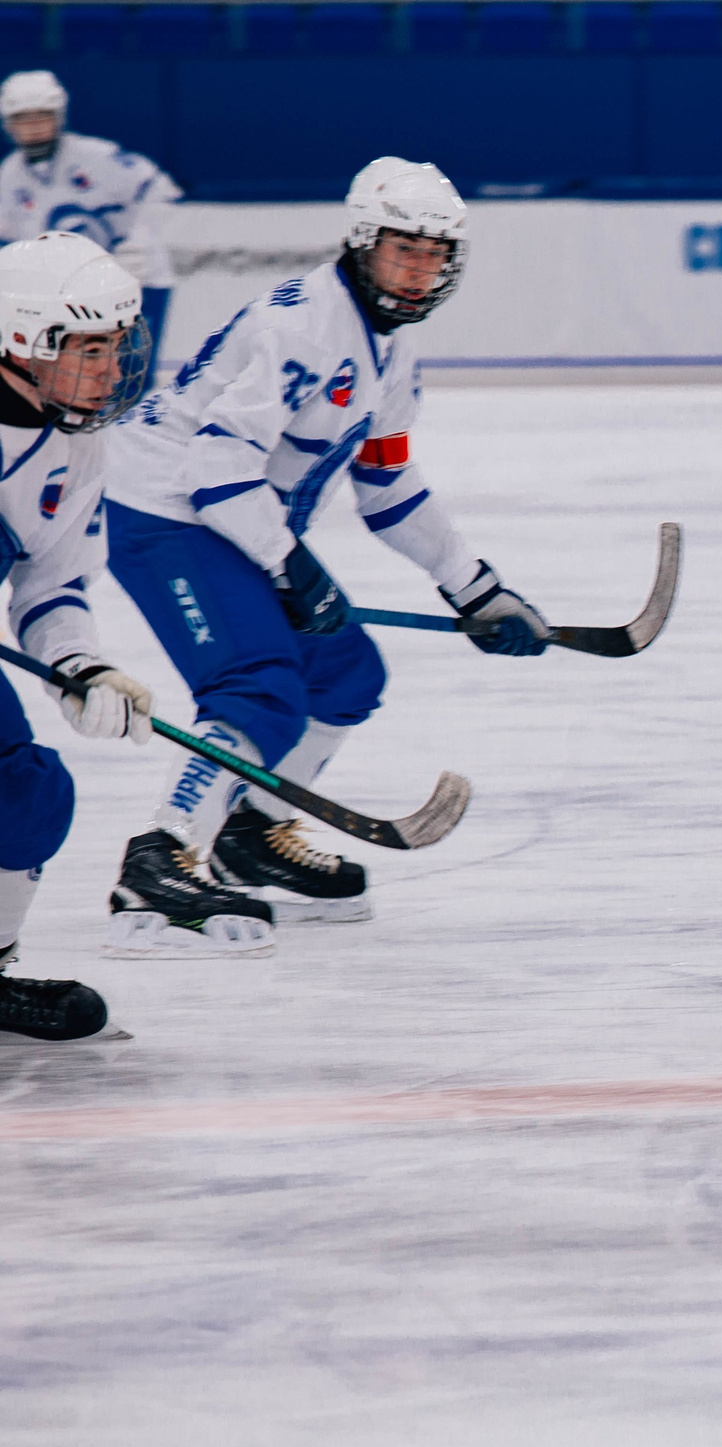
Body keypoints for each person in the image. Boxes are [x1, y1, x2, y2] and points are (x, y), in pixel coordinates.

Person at [100, 156, 552, 958]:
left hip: (238, 516)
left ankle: (253, 831)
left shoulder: (393, 348)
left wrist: (475, 589)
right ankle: (159, 859)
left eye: (434, 255)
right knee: (260, 683)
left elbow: (386, 482)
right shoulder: (302, 326)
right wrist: (292, 568)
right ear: (361, 241)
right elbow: (214, 469)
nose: (417, 272)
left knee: (346, 676)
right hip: (168, 509)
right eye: (402, 250)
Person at [0, 234, 158, 1031]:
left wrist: (79, 667)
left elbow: (49, 581)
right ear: (24, 343)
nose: (108, 369)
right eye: (89, 350)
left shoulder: (74, 447)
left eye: (114, 348)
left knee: (27, 792)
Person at [0, 71, 180, 370]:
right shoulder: (9, 178)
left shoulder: (98, 157)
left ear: (59, 117)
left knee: (128, 381)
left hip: (137, 282)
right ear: (8, 124)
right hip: (72, 297)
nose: (32, 128)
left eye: (41, 117)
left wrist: (140, 241)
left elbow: (160, 189)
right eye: (22, 119)